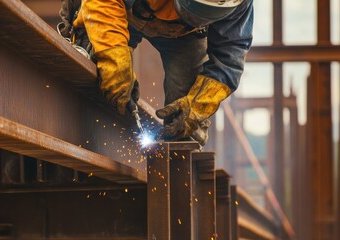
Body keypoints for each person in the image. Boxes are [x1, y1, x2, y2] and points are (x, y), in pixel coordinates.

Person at [71, 0, 254, 143]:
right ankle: (83, 135)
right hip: (118, 9)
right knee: (100, 69)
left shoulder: (240, 4)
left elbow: (229, 60)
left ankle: (180, 166)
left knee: (186, 118)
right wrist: (113, 57)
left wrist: (198, 106)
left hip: (186, 35)